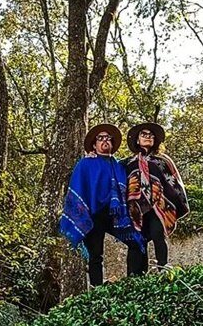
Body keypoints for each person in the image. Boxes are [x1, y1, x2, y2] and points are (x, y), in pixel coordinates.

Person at [59, 123, 143, 287]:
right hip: (93, 214)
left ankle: (133, 283)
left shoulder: (119, 166)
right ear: (94, 144)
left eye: (108, 139)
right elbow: (78, 186)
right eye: (100, 138)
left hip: (116, 216)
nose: (105, 141)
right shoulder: (86, 163)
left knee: (136, 243)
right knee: (96, 255)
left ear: (112, 143)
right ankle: (97, 290)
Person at [123, 122, 189, 275]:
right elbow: (117, 180)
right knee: (137, 241)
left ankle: (163, 271)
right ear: (137, 140)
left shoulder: (162, 161)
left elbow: (173, 184)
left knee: (158, 235)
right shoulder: (127, 164)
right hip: (135, 210)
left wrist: (173, 203)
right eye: (143, 134)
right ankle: (134, 277)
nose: (148, 137)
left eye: (151, 135)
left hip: (158, 207)